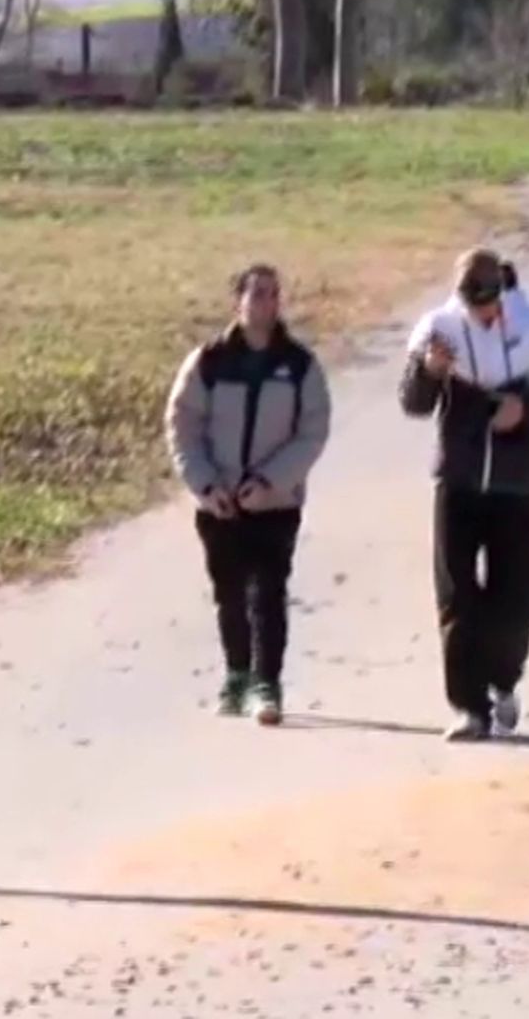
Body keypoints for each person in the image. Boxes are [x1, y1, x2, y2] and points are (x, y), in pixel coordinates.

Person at [399, 249, 529, 742]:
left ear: (501, 290)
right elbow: (413, 404)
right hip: (456, 480)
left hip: (513, 481)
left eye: (487, 300)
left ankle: (504, 680)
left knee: (521, 589)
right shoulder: (438, 327)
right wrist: (431, 372)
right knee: (457, 593)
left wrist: (524, 409)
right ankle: (468, 707)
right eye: (470, 301)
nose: (480, 312)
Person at [166, 264, 332, 726]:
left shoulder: (299, 365)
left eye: (273, 294)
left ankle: (267, 684)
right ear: (237, 302)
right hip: (219, 500)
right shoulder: (209, 362)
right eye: (257, 294)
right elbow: (182, 425)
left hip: (274, 503)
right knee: (229, 593)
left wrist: (269, 482)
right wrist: (204, 485)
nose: (266, 302)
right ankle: (236, 674)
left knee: (269, 592)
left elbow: (312, 432)